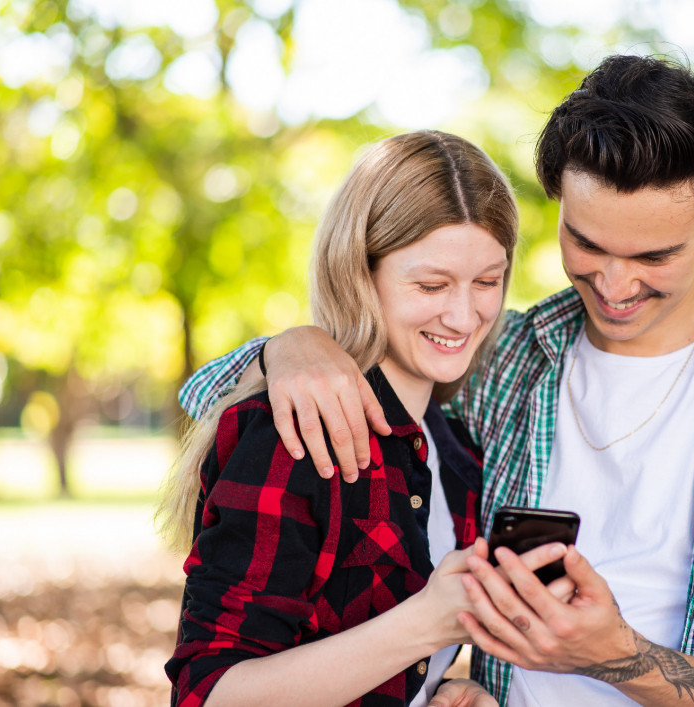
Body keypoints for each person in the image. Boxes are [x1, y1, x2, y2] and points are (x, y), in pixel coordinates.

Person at [179, 55, 694, 706]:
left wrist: (611, 653)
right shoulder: (501, 357)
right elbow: (227, 411)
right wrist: (288, 348)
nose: (616, 283)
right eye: (587, 242)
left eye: (654, 255)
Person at [158, 130, 572, 707]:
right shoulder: (298, 431)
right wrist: (426, 626)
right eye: (431, 284)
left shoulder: (454, 450)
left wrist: (442, 688)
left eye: (487, 282)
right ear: (360, 271)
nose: (463, 315)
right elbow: (210, 693)